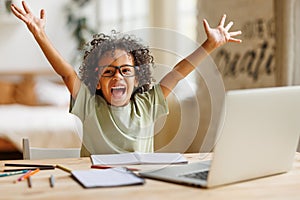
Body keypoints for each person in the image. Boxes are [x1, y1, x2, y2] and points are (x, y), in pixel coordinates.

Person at [11, 1, 242, 156]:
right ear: (97, 80)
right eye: (108, 72)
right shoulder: (89, 104)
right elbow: (67, 72)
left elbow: (178, 72)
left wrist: (209, 45)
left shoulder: (148, 103)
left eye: (125, 71)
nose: (117, 77)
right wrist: (39, 33)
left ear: (138, 77)